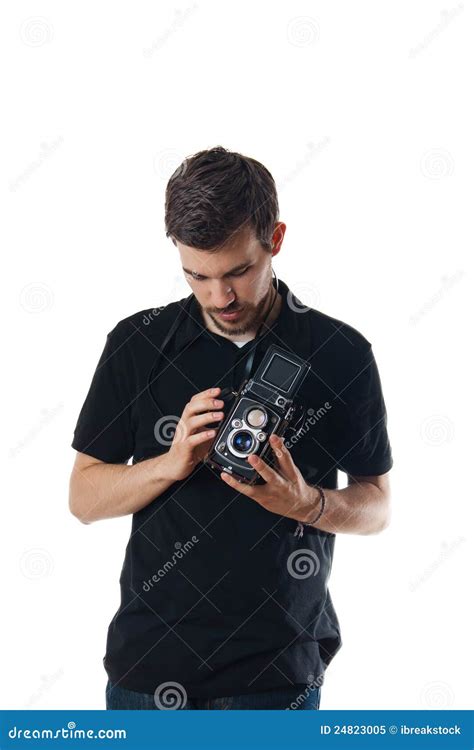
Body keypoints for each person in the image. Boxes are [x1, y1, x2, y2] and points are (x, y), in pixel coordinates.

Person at [69, 146, 393, 711]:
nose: (220, 297)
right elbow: (83, 499)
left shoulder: (341, 353)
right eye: (198, 275)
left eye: (238, 271)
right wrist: (168, 465)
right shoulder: (138, 343)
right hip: (148, 672)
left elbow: (377, 505)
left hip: (279, 677)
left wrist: (307, 503)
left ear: (276, 239)